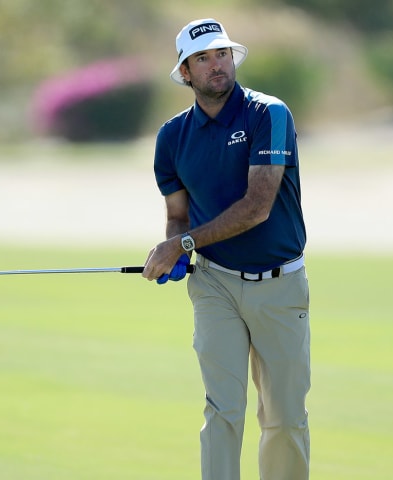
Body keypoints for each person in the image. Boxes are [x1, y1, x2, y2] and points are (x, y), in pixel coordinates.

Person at [142, 18, 311, 480]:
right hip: (215, 284)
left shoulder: (267, 114)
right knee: (223, 409)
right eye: (203, 58)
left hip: (279, 282)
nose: (216, 64)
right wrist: (175, 252)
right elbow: (178, 215)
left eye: (222, 54)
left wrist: (184, 242)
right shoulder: (171, 137)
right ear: (185, 72)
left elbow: (257, 206)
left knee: (284, 418)